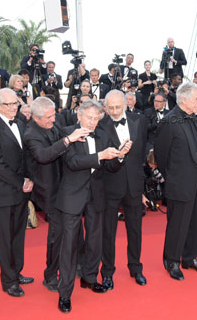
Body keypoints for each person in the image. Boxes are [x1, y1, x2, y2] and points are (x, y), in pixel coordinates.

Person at [56, 100, 130, 313]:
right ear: (79, 116)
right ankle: (65, 293)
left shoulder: (103, 135)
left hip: (96, 195)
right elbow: (72, 162)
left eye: (96, 118)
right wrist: (99, 156)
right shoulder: (67, 132)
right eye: (89, 117)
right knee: (69, 245)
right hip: (72, 195)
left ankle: (89, 278)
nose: (92, 122)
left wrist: (120, 156)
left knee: (95, 240)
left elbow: (110, 166)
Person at [23, 97, 87, 292]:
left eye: (54, 115)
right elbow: (43, 156)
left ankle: (78, 264)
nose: (53, 119)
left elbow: (63, 135)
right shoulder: (30, 134)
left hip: (66, 185)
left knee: (76, 229)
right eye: (49, 117)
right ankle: (50, 276)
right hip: (49, 190)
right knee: (57, 235)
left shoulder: (54, 122)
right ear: (35, 117)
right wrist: (68, 140)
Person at [155, 82, 197, 280]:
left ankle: (189, 257)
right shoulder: (169, 121)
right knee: (178, 224)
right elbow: (161, 155)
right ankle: (172, 261)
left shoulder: (192, 117)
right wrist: (173, 177)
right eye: (196, 99)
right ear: (184, 99)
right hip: (179, 181)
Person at [0, 89, 34, 297]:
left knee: (18, 236)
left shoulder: (21, 124)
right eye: (9, 104)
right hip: (3, 194)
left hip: (21, 192)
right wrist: (21, 182)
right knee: (4, 239)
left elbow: (26, 157)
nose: (14, 107)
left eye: (15, 103)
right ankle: (8, 280)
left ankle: (16, 272)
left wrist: (30, 179)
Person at [99, 90, 148, 289]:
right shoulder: (101, 125)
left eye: (118, 107)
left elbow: (142, 151)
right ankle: (107, 272)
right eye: (110, 108)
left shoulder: (140, 120)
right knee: (108, 232)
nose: (114, 111)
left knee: (135, 230)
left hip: (134, 185)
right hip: (110, 185)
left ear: (126, 104)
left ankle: (136, 268)